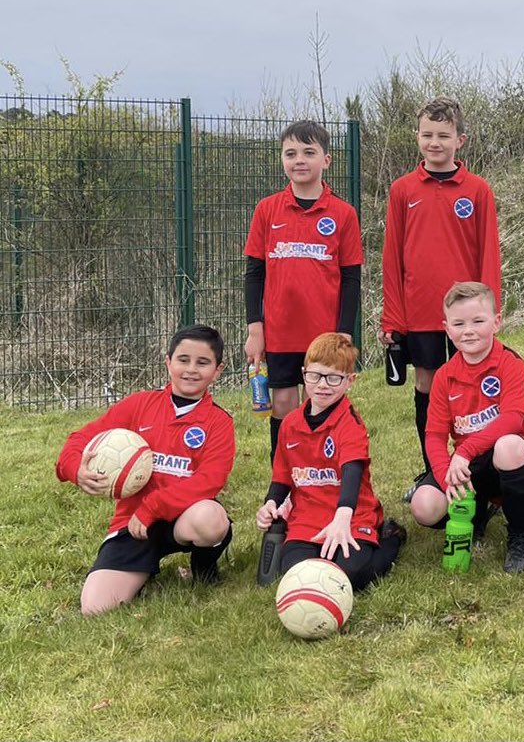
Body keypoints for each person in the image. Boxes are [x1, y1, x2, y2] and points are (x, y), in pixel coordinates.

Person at [55, 324, 235, 615]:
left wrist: (153, 507)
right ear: (168, 362)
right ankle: (144, 568)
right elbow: (78, 439)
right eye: (183, 360)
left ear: (218, 370)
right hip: (133, 523)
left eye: (203, 363)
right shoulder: (139, 405)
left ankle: (204, 569)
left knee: (211, 518)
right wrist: (75, 470)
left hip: (181, 518)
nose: (191, 369)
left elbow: (209, 481)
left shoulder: (218, 422)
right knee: (95, 608)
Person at [380, 96, 501, 500]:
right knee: (430, 388)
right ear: (417, 137)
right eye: (428, 135)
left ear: (460, 140)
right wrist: (393, 319)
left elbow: (489, 253)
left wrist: (488, 311)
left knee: (475, 388)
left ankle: (481, 473)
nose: (435, 142)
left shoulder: (479, 190)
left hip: (468, 316)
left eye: (443, 136)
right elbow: (392, 257)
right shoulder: (402, 190)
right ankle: (434, 471)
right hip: (420, 313)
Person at [244, 120, 363, 462]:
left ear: (327, 159)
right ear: (281, 159)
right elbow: (254, 275)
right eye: (291, 153)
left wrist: (344, 330)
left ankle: (322, 477)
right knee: (284, 404)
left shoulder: (343, 214)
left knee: (323, 401)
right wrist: (256, 329)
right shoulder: (267, 210)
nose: (299, 160)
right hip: (280, 331)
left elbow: (351, 278)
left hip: (324, 334)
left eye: (309, 152)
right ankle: (283, 486)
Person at [408, 282, 524, 574]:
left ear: (496, 322)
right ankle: (477, 510)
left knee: (508, 446)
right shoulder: (444, 376)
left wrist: (465, 451)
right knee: (423, 506)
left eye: (478, 321)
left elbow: (513, 418)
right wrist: (447, 477)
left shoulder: (509, 362)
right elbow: (434, 435)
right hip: (470, 465)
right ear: (447, 329)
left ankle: (520, 536)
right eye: (459, 323)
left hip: (510, 455)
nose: (468, 330)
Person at [255, 333, 406, 590]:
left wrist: (343, 517)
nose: (322, 385)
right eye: (315, 376)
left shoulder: (350, 424)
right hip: (307, 517)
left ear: (350, 381)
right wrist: (270, 504)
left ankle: (391, 537)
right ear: (304, 375)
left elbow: (352, 471)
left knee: (350, 575)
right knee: (297, 575)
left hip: (351, 515)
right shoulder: (290, 424)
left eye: (333, 378)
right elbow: (282, 476)